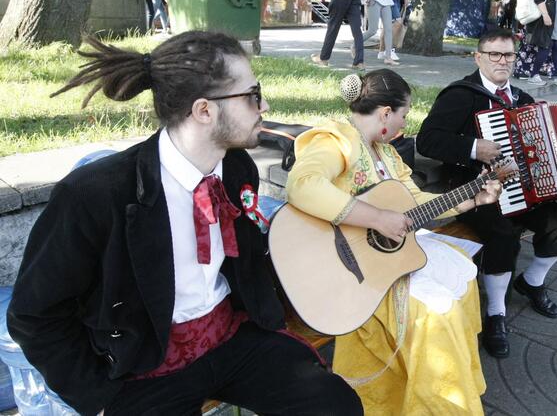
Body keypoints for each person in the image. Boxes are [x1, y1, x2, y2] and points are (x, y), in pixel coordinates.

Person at [6, 31, 362, 416]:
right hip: (144, 366)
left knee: (335, 405)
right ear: (204, 111)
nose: (266, 104)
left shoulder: (236, 167)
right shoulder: (95, 195)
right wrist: (97, 399)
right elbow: (34, 315)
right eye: (253, 95)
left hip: (228, 336)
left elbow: (244, 260)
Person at [285, 69, 501, 415]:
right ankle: (434, 401)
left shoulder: (385, 153)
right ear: (385, 113)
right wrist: (377, 219)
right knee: (436, 313)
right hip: (348, 272)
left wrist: (473, 198)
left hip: (380, 261)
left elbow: (416, 201)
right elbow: (302, 185)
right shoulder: (336, 140)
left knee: (461, 272)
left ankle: (429, 396)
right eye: (403, 114)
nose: (404, 123)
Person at [416, 28, 557, 359]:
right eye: (494, 54)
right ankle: (496, 314)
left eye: (509, 54)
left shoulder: (522, 98)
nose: (502, 61)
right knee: (503, 234)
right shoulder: (461, 95)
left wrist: (552, 178)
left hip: (522, 188)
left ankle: (531, 281)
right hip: (471, 189)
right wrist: (475, 147)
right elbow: (427, 140)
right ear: (478, 57)